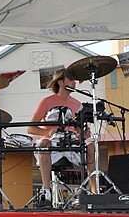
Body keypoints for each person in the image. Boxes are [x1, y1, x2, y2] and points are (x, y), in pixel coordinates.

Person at [27, 67, 96, 208]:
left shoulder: (77, 104)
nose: (74, 83)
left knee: (90, 145)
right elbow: (30, 128)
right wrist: (48, 133)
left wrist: (83, 133)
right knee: (44, 143)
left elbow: (79, 131)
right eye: (71, 80)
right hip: (52, 142)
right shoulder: (46, 101)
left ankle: (94, 191)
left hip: (71, 141)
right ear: (60, 82)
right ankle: (46, 191)